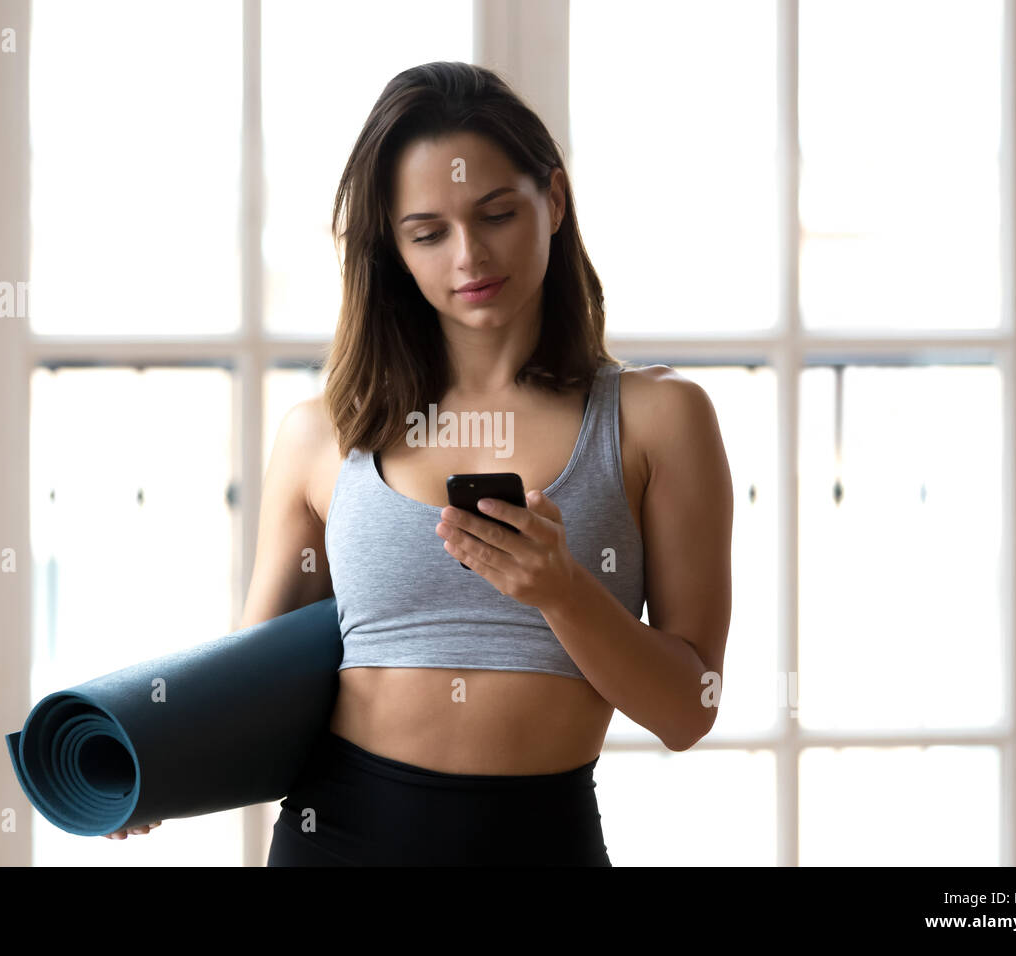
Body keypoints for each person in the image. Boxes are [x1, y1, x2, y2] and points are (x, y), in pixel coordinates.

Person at [109, 61, 733, 865]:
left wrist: (562, 590)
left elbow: (689, 711)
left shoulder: (659, 420)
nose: (469, 256)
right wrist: (155, 760)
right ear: (393, 249)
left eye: (497, 213)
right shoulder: (323, 435)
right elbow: (251, 682)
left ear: (554, 200)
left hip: (543, 842)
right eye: (428, 232)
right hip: (336, 837)